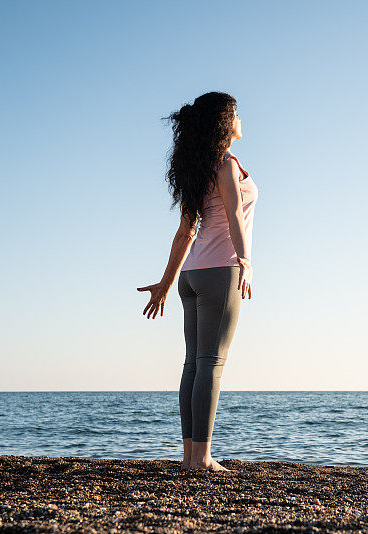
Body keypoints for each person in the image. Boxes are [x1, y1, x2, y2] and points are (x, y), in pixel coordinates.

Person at [136, 92, 259, 471]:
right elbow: (235, 215)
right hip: (221, 271)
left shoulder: (198, 168)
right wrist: (246, 261)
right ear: (223, 122)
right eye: (235, 112)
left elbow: (185, 234)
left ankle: (191, 455)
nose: (241, 117)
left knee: (193, 364)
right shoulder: (226, 163)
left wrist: (167, 281)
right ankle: (201, 459)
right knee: (210, 364)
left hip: (192, 275)